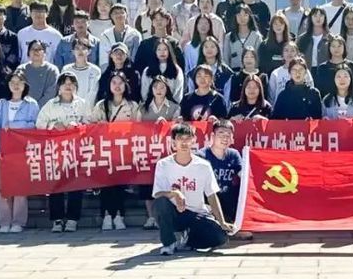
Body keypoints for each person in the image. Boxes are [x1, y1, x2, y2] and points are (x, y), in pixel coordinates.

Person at [152, 123, 234, 255]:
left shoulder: (203, 165)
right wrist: (174, 193)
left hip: (196, 213)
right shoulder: (163, 164)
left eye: (187, 138)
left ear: (193, 140)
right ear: (173, 142)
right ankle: (169, 243)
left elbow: (212, 195)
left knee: (220, 237)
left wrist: (222, 222)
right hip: (174, 214)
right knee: (160, 202)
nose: (184, 143)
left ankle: (188, 240)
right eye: (180, 139)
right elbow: (157, 194)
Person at [36, 72, 91, 232]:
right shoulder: (50, 105)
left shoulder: (82, 104)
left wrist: (79, 126)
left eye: (71, 83)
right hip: (56, 151)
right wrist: (53, 126)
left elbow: (90, 123)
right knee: (56, 186)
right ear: (59, 87)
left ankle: (73, 219)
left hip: (76, 150)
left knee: (76, 185)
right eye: (65, 83)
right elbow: (39, 124)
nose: (68, 86)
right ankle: (57, 219)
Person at [0, 69, 39, 233]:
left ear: (25, 85)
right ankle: (5, 221)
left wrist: (14, 126)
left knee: (20, 186)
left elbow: (34, 126)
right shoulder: (2, 104)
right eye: (12, 82)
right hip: (3, 149)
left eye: (19, 82)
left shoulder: (31, 104)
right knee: (2, 187)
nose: (16, 86)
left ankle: (18, 221)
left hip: (22, 149)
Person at [93, 72, 142, 231]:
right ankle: (107, 215)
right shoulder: (101, 105)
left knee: (119, 184)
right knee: (106, 183)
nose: (117, 86)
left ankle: (119, 215)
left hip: (124, 151)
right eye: (113, 82)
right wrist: (99, 126)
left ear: (125, 85)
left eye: (120, 82)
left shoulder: (132, 105)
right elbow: (90, 126)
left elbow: (138, 127)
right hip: (105, 150)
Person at [197, 120, 248, 238]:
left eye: (228, 135)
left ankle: (235, 227)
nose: (225, 138)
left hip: (227, 198)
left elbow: (243, 176)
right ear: (212, 136)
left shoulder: (234, 154)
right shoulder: (201, 156)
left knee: (240, 190)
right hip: (208, 200)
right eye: (221, 134)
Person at [133, 8, 183, 75]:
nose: (159, 22)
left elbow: (180, 65)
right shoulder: (145, 44)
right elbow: (138, 66)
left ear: (167, 21)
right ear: (152, 22)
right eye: (156, 19)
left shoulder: (174, 43)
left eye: (161, 19)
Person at [16, 40, 59, 107]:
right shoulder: (21, 69)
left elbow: (51, 93)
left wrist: (36, 107)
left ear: (45, 53)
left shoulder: (52, 70)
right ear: (28, 53)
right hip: (23, 108)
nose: (36, 51)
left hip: (45, 109)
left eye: (39, 49)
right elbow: (17, 89)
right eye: (33, 49)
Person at [98, 4, 141, 71]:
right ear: (111, 16)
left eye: (122, 12)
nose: (119, 15)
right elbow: (103, 59)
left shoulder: (135, 34)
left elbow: (136, 57)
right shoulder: (105, 35)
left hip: (130, 71)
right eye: (116, 13)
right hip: (111, 71)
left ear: (126, 15)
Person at [191, 36, 233, 104]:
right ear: (202, 50)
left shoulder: (227, 72)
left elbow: (227, 98)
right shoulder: (193, 72)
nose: (209, 49)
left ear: (217, 49)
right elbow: (190, 95)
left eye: (212, 47)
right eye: (206, 47)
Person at [223, 4, 264, 72]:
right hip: (234, 72)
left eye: (245, 15)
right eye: (239, 15)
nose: (242, 18)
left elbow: (259, 58)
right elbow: (226, 58)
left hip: (251, 72)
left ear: (249, 17)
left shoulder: (256, 36)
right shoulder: (229, 37)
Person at [62, 37, 101, 108]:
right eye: (77, 48)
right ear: (73, 51)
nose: (80, 51)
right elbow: (64, 90)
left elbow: (93, 93)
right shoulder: (66, 69)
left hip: (88, 110)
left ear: (89, 51)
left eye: (83, 48)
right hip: (69, 109)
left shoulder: (95, 70)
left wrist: (83, 108)